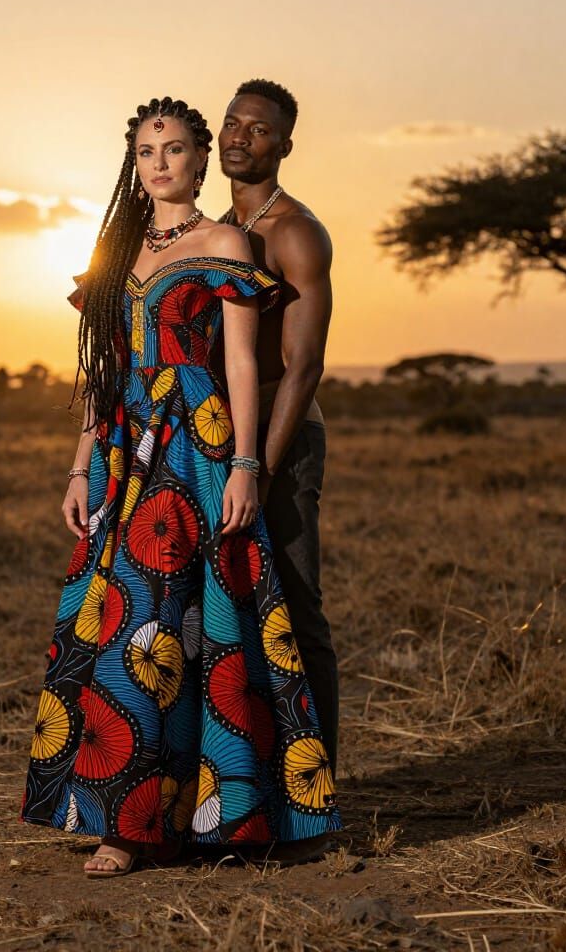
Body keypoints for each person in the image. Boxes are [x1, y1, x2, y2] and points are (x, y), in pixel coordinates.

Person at [20, 96, 340, 877]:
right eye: (144, 152)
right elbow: (102, 371)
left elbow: (240, 364)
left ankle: (202, 818)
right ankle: (120, 820)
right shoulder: (115, 249)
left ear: (200, 161)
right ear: (133, 166)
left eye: (173, 149)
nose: (159, 163)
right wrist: (78, 465)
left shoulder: (228, 240)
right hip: (124, 450)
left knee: (189, 621)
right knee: (115, 621)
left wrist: (243, 464)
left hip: (197, 444)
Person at [216, 80, 339, 784]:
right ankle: (246, 784)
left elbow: (303, 365)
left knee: (295, 606)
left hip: (280, 442)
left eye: (258, 129)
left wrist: (259, 466)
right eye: (232, 122)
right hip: (217, 440)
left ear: (284, 145)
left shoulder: (294, 231)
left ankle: (316, 790)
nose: (240, 135)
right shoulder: (211, 227)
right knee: (226, 608)